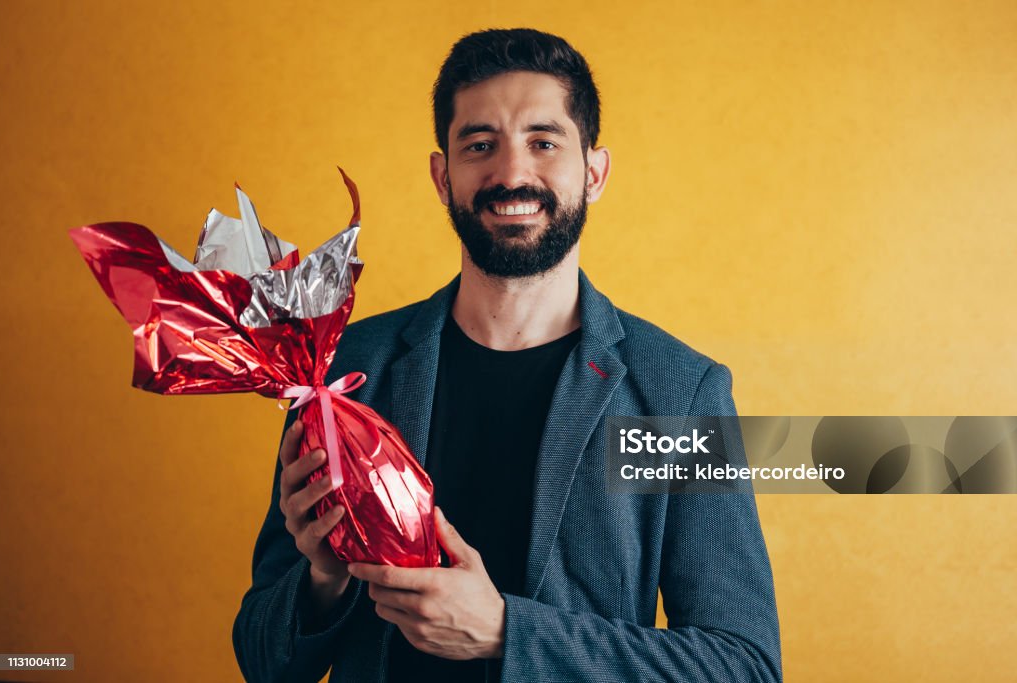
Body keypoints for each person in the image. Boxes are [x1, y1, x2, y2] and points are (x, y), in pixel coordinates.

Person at [233, 28, 782, 683]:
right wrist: (322, 575)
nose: (512, 173)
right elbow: (262, 658)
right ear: (443, 176)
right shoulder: (343, 370)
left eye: (543, 142)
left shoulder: (679, 395)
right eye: (480, 144)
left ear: (595, 171)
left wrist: (505, 632)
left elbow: (742, 664)